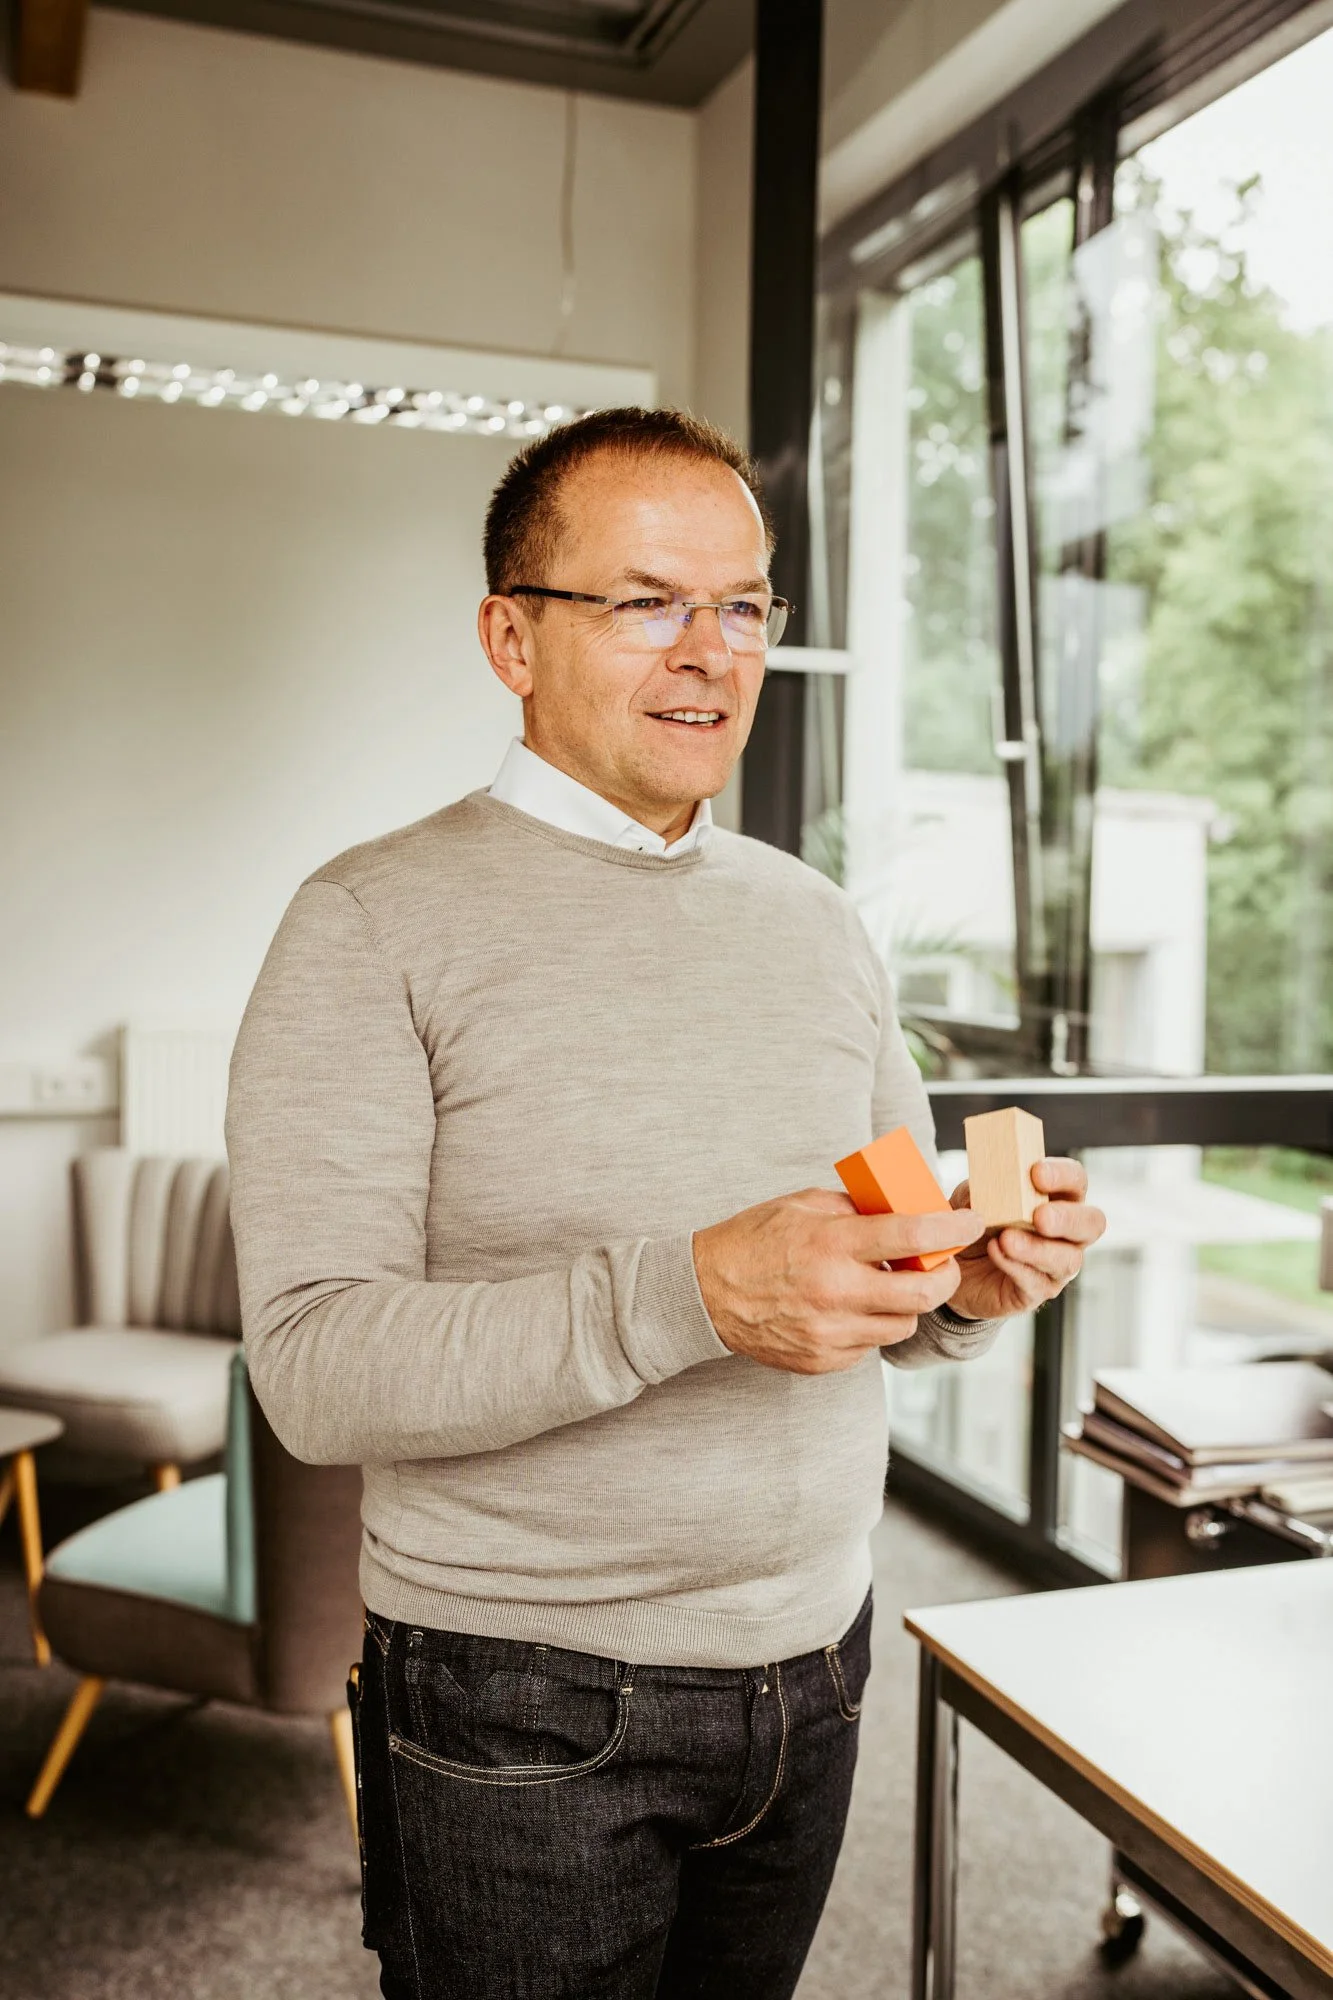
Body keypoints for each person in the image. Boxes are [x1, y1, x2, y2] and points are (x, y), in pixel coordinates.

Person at [226, 407, 1105, 2000]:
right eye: (645, 601)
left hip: (814, 1663)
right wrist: (686, 1294)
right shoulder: (365, 923)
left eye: (745, 605)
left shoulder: (819, 924)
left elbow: (887, 1258)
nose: (709, 654)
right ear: (512, 636)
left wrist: (972, 1286)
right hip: (523, 1702)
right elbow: (314, 1369)